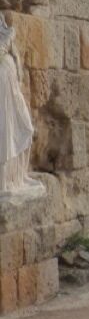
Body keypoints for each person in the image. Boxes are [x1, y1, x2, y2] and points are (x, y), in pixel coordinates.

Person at [0, 14, 35, 193]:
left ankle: (16, 175)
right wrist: (8, 37)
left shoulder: (5, 30)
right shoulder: (6, 35)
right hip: (4, 89)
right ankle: (5, 180)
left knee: (25, 127)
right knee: (6, 134)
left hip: (11, 87)